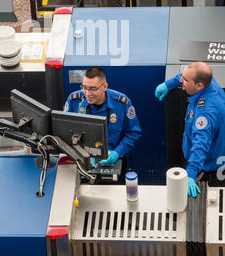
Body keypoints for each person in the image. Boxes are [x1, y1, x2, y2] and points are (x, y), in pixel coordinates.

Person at [155, 61, 225, 197]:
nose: (181, 80)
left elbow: (200, 145)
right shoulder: (208, 81)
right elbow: (188, 74)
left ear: (199, 86)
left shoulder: (205, 114)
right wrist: (170, 84)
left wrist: (191, 175)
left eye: (185, 80)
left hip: (208, 167)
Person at [64, 66, 142, 182]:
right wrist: (80, 154)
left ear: (105, 86)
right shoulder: (74, 100)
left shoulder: (122, 103)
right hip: (82, 163)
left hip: (113, 162)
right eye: (84, 87)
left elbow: (133, 133)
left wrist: (117, 152)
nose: (87, 93)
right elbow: (64, 132)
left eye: (93, 89)